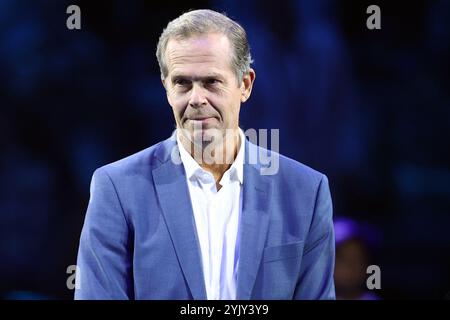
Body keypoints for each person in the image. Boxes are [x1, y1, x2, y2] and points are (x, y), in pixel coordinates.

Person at [75, 9, 335, 300]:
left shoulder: (305, 192)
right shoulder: (117, 188)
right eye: (182, 83)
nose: (197, 99)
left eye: (211, 82)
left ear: (245, 85)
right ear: (166, 89)